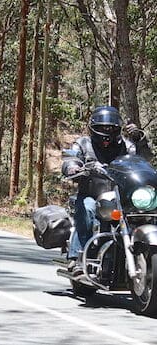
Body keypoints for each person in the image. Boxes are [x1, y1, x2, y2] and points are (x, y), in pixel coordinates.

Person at [61, 106, 152, 274]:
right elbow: (71, 157)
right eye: (102, 127)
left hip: (121, 197)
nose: (107, 131)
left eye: (110, 127)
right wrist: (73, 167)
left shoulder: (127, 145)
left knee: (143, 214)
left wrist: (139, 139)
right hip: (91, 194)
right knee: (87, 210)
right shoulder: (83, 143)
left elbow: (144, 160)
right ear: (94, 128)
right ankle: (78, 259)